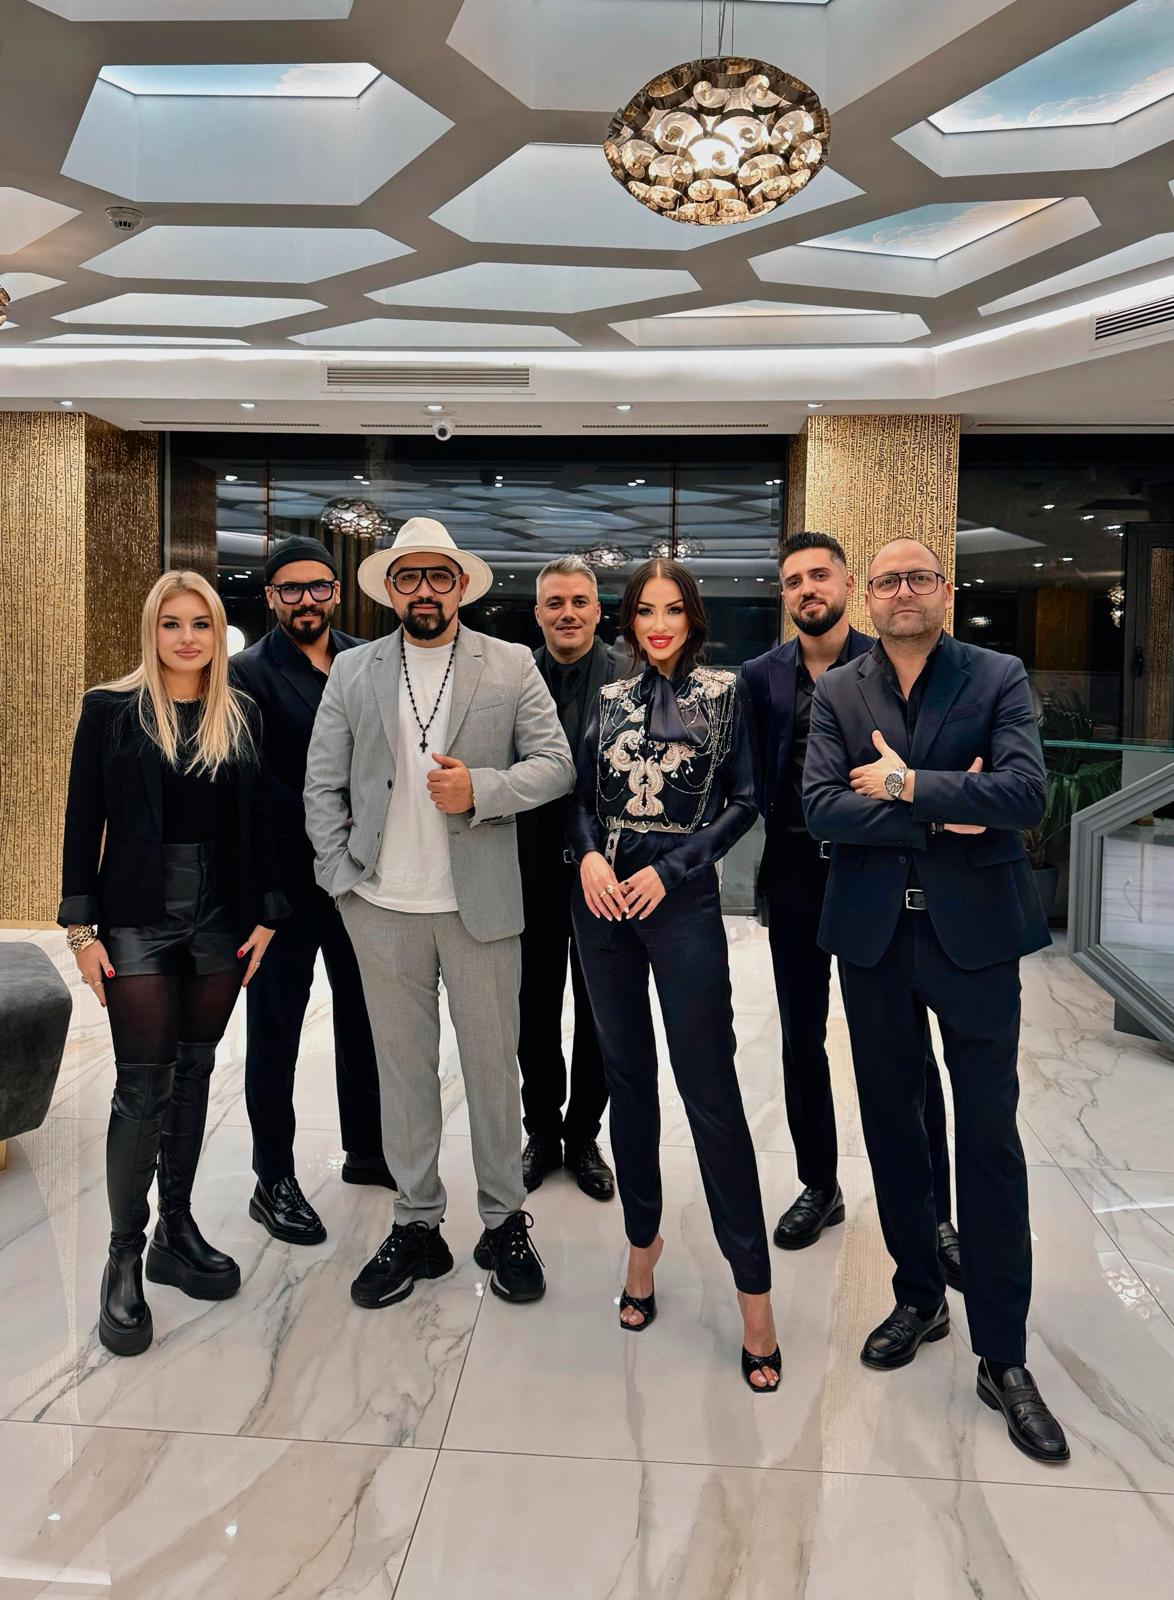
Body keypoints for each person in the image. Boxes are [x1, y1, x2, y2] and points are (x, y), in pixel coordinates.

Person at [803, 536, 1069, 1463]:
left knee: (987, 1140)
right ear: (867, 597)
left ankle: (1004, 1354)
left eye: (919, 578)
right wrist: (953, 804)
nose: (903, 591)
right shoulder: (840, 690)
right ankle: (919, 1297)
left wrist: (903, 783)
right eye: (887, 580)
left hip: (976, 941)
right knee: (894, 1127)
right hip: (874, 939)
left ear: (944, 590)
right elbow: (821, 808)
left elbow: (1025, 796)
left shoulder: (996, 675)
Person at [304, 518, 576, 1309]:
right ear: (391, 589)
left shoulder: (511, 663)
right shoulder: (353, 670)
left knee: (493, 1070)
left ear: (460, 586)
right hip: (381, 906)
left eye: (438, 576)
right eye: (409, 577)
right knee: (402, 1072)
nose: (424, 590)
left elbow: (557, 765)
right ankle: (417, 1221)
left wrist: (482, 790)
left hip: (479, 906)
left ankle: (504, 1222)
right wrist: (340, 880)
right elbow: (322, 783)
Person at [59, 570, 287, 1357]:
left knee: (195, 1072)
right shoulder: (110, 709)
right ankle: (124, 1256)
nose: (186, 638)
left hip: (221, 915)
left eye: (200, 624)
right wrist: (80, 930)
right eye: (172, 623)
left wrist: (268, 914)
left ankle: (176, 1234)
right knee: (141, 1086)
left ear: (217, 632)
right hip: (137, 917)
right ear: (151, 630)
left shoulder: (240, 712)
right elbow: (82, 817)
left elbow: (259, 822)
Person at [569, 558, 780, 1392]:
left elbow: (747, 800)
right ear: (629, 620)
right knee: (627, 1081)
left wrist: (675, 868)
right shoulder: (610, 696)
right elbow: (580, 797)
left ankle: (753, 1292)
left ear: (693, 617)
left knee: (709, 1090)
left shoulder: (727, 694)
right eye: (645, 611)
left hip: (680, 899)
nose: (659, 625)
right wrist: (588, 857)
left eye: (673, 610)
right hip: (602, 904)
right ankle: (642, 1244)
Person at [743, 532, 960, 1285]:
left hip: (880, 870)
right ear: (785, 596)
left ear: (846, 586)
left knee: (908, 1048)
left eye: (820, 575)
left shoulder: (892, 661)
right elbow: (755, 782)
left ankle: (934, 1211)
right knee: (801, 1037)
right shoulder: (760, 677)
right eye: (793, 581)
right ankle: (819, 1184)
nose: (807, 589)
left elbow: (924, 774)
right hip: (796, 875)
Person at [230, 536, 392, 1249]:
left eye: (318, 587)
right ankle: (273, 1180)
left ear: (336, 592)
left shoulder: (366, 659)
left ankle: (368, 1150)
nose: (306, 600)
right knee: (276, 1034)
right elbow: (248, 782)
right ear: (271, 597)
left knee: (365, 1020)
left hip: (359, 879)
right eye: (290, 589)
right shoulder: (244, 673)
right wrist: (329, 811)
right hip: (283, 887)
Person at [516, 555, 622, 1202]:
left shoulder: (630, 678)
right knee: (531, 1011)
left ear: (597, 610)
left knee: (598, 1012)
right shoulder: (510, 677)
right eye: (555, 602)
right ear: (538, 613)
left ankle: (583, 1136)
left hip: (603, 874)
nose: (567, 613)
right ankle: (541, 1133)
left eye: (579, 601)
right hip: (525, 873)